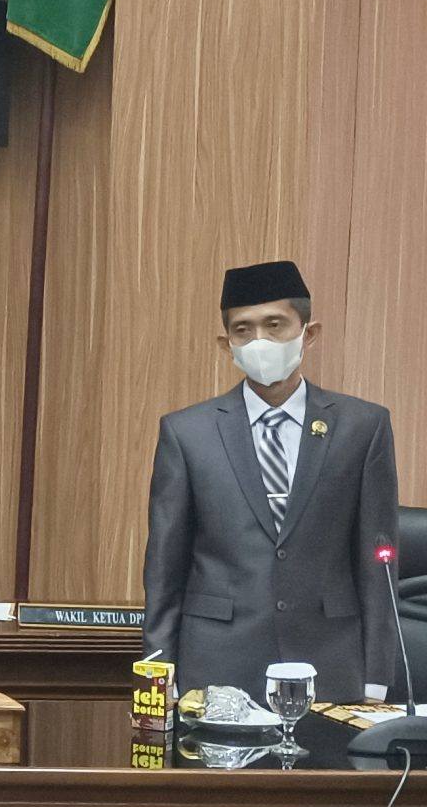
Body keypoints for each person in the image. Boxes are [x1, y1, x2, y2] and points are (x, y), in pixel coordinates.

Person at [144, 260, 402, 703]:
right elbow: (165, 568)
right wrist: (157, 673)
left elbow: (377, 565)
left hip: (331, 663)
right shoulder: (187, 433)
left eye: (275, 324)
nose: (259, 340)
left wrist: (377, 675)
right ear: (227, 344)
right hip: (216, 663)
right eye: (243, 330)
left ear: (309, 333)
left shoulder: (364, 426)